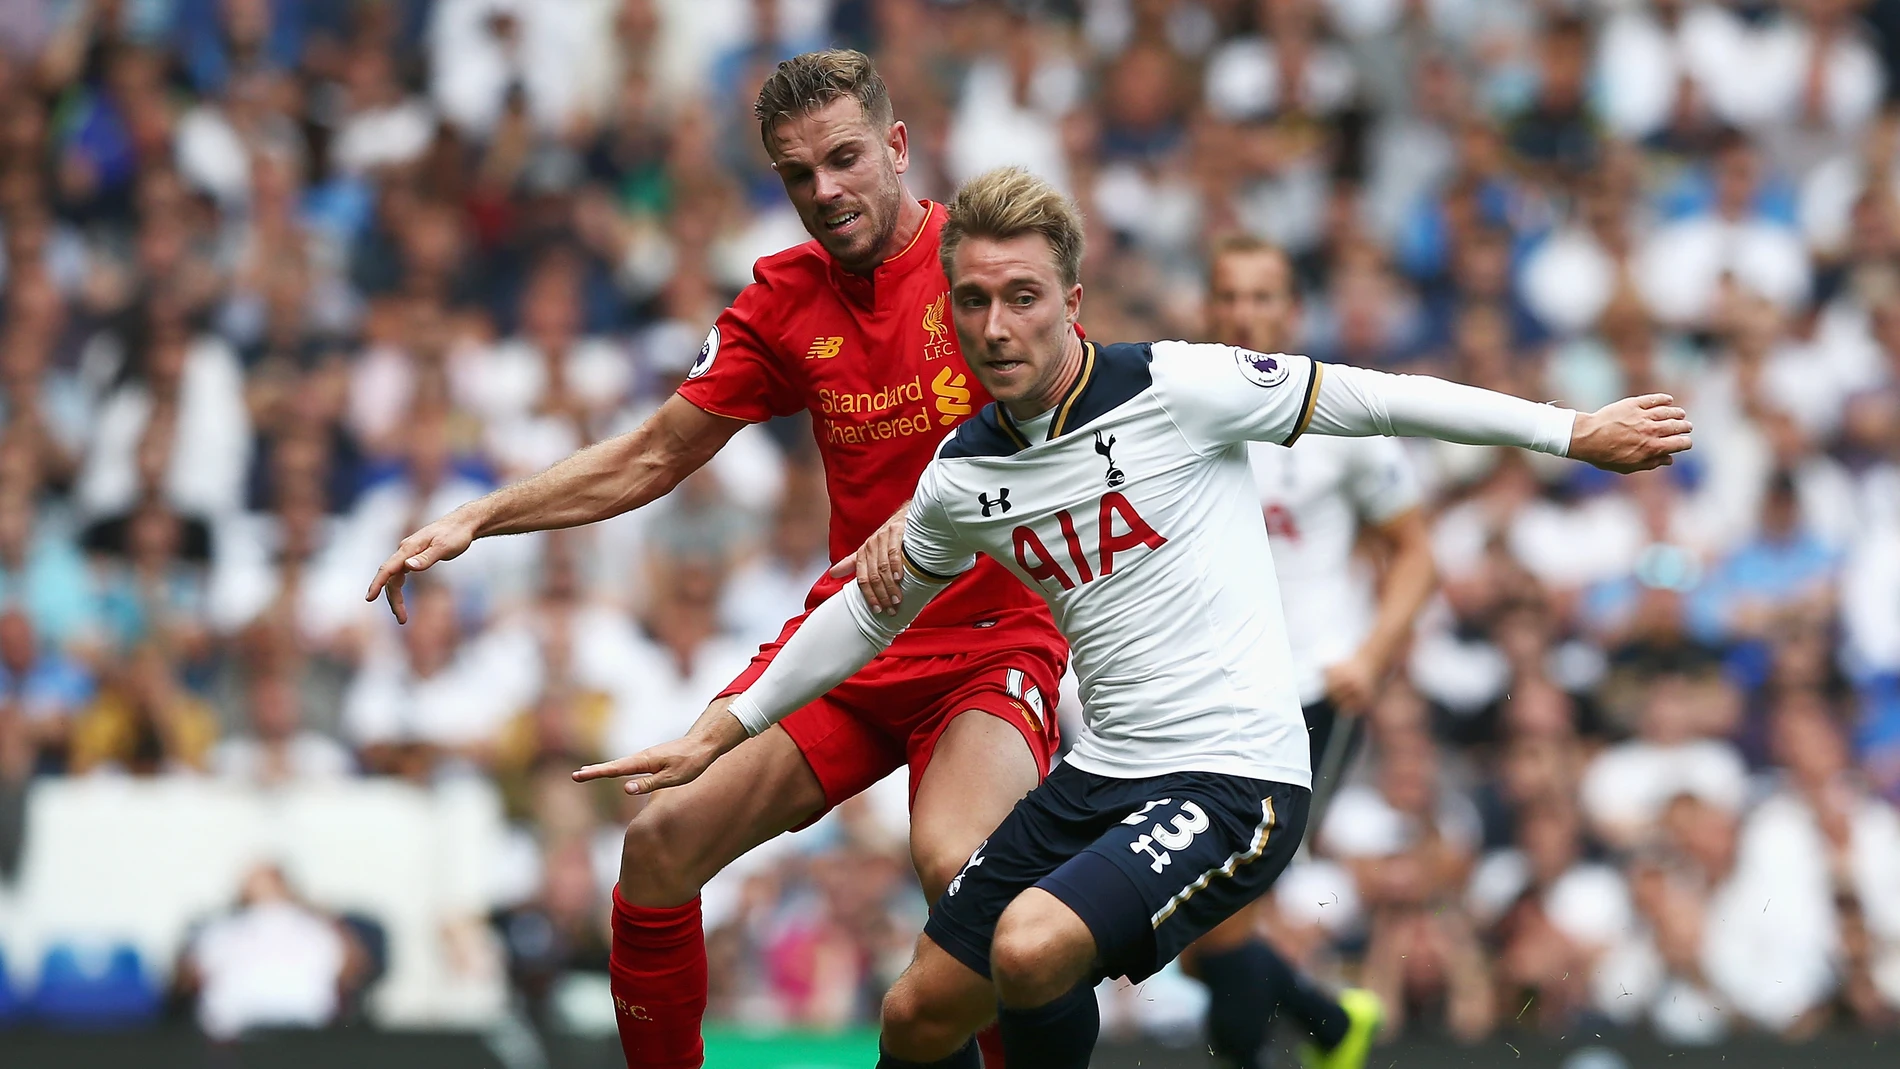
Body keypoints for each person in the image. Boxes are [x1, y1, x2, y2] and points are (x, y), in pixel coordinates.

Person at [576, 166, 1693, 1069]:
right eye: (972, 300)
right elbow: (864, 621)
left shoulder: (1181, 386)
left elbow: (1371, 396)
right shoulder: (964, 479)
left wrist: (1569, 430)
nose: (996, 324)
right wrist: (719, 727)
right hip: (1099, 774)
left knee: (1027, 949)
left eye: (1022, 297)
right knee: (914, 1019)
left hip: (1234, 778)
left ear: (1071, 304)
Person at [364, 51, 1066, 1068]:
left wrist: (930, 521)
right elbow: (654, 452)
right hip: (858, 639)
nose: (824, 191)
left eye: (844, 159)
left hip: (990, 640)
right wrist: (483, 515)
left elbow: (1067, 432)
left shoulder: (984, 263)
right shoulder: (784, 300)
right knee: (656, 848)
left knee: (962, 873)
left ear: (897, 148)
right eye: (796, 174)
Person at [1171, 236, 1439, 1069]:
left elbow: (1417, 554)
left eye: (1263, 296)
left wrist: (1371, 653)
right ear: (1207, 310)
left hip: (1307, 690)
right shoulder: (1173, 414)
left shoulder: (1339, 420)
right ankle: (1329, 1023)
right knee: (1187, 927)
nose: (1244, 313)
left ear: (1293, 312)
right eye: (1229, 295)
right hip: (1201, 694)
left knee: (1220, 916)